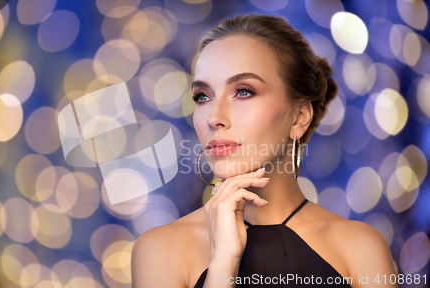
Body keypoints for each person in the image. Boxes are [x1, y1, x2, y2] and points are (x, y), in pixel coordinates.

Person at [131, 13, 396, 288]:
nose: (213, 117)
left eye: (243, 92)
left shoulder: (362, 247)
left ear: (299, 117)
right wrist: (223, 262)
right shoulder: (160, 249)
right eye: (203, 96)